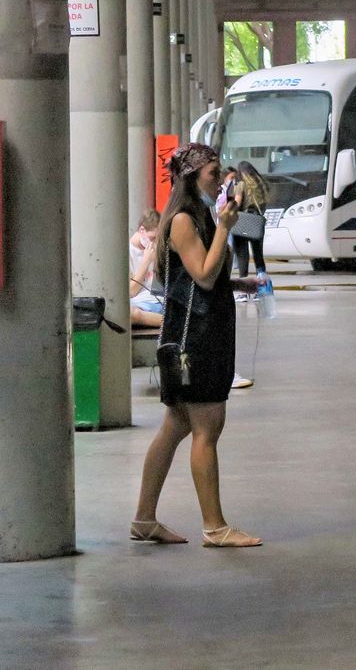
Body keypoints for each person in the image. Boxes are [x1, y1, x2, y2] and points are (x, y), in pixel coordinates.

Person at [130, 143, 263, 549]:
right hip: (194, 340)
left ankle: (144, 518)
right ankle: (215, 527)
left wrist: (237, 281)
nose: (219, 178)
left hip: (201, 331)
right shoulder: (185, 221)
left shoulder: (201, 215)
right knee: (208, 426)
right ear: (192, 178)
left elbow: (205, 273)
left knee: (177, 425)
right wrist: (226, 226)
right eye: (211, 171)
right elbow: (204, 276)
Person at [231, 161, 269, 279]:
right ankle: (262, 283)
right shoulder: (262, 184)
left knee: (242, 253)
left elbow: (237, 202)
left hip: (242, 221)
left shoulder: (241, 184)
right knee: (258, 255)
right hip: (257, 220)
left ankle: (244, 282)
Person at [129, 209, 165, 330]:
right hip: (138, 303)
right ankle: (169, 322)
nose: (155, 242)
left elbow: (159, 287)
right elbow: (131, 291)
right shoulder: (127, 252)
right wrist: (146, 262)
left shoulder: (156, 249)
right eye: (152, 238)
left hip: (157, 299)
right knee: (131, 314)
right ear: (142, 230)